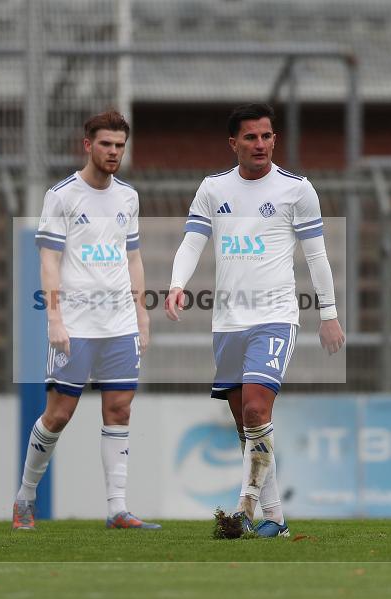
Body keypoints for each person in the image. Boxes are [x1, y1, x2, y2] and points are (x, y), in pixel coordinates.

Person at [165, 103, 344, 538]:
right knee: (249, 429)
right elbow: (192, 242)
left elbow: (316, 256)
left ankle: (244, 506)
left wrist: (329, 314)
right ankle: (277, 519)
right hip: (228, 321)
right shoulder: (212, 188)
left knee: (256, 408)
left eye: (266, 136)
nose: (260, 144)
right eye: (250, 137)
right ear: (234, 143)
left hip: (276, 317)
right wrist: (176, 283)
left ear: (274, 140)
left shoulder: (297, 190)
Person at [13, 110, 160, 531]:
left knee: (119, 409)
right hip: (76, 325)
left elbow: (132, 256)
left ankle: (117, 509)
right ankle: (25, 497)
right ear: (87, 145)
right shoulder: (62, 196)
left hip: (119, 325)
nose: (114, 152)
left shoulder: (128, 197)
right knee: (58, 414)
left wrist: (141, 313)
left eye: (120, 145)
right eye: (106, 144)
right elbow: (48, 260)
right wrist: (54, 319)